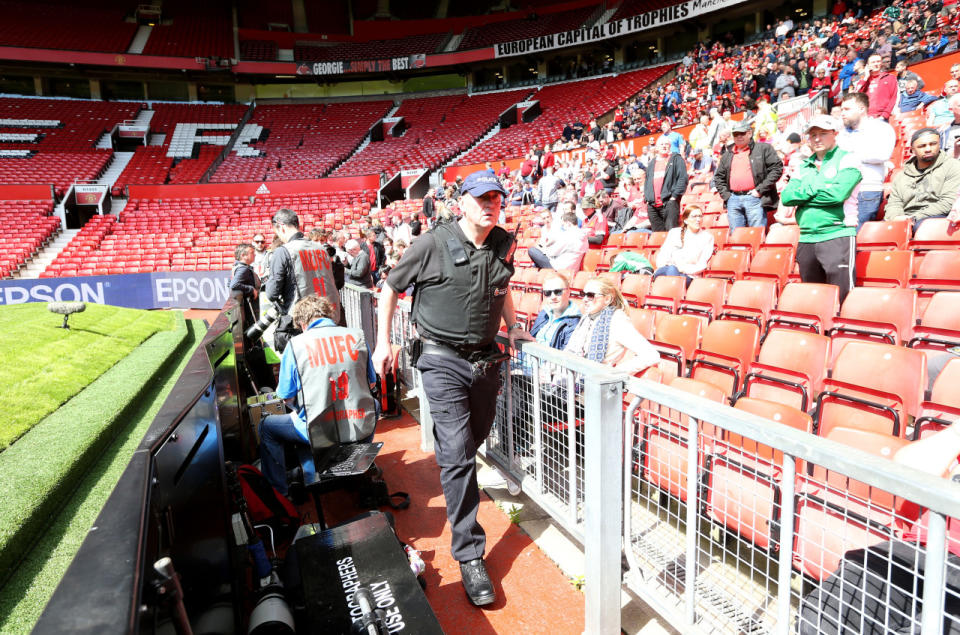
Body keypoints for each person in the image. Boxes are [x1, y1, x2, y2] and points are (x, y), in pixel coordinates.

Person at [371, 170, 533, 608]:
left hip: (485, 362)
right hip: (441, 358)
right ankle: (470, 554)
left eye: (496, 197)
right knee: (459, 455)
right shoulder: (431, 243)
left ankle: (454, 465)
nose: (490, 204)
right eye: (481, 197)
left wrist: (514, 327)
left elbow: (503, 286)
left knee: (471, 440)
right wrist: (382, 342)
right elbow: (389, 289)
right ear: (462, 202)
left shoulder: (503, 242)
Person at [257, 295, 377, 495]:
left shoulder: (295, 345)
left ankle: (280, 495)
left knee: (266, 427)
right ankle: (357, 453)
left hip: (318, 431)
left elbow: (286, 396)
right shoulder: (357, 335)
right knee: (374, 404)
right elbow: (371, 383)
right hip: (358, 424)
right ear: (328, 314)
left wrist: (302, 408)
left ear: (302, 323)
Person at [781, 115, 863, 304]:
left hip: (837, 234)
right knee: (812, 297)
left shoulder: (848, 159)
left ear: (835, 134)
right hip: (807, 237)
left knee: (842, 298)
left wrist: (804, 195)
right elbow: (787, 197)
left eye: (823, 134)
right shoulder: (804, 165)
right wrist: (820, 186)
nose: (817, 139)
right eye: (813, 135)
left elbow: (837, 195)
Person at [562, 276, 660, 375]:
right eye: (583, 294)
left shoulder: (617, 320)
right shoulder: (587, 318)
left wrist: (614, 373)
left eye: (590, 295)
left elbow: (651, 355)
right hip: (575, 379)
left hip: (598, 382)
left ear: (607, 299)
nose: (584, 299)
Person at [266, 208, 341, 322]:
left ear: (282, 227)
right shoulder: (321, 249)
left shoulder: (283, 251)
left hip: (301, 320)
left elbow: (272, 293)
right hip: (328, 314)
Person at [837, 92, 896, 229]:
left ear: (862, 109)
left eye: (847, 109)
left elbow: (882, 154)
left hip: (866, 190)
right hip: (841, 190)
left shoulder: (880, 128)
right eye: (841, 110)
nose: (842, 113)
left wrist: (849, 153)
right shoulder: (841, 132)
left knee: (855, 235)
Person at [885, 128, 960, 231]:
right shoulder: (901, 176)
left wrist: (914, 218)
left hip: (938, 219)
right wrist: (895, 218)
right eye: (922, 146)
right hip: (906, 218)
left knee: (921, 227)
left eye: (933, 144)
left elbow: (948, 202)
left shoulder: (953, 166)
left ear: (939, 145)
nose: (928, 149)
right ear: (912, 150)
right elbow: (894, 204)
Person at [713, 119, 784, 229]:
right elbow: (718, 177)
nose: (739, 136)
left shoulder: (763, 148)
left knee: (756, 235)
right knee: (737, 237)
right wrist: (727, 195)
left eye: (742, 133)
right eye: (736, 134)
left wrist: (759, 190)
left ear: (749, 133)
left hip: (754, 198)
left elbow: (777, 169)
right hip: (733, 199)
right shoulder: (727, 155)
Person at [652, 205, 715, 282]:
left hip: (689, 275)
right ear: (685, 220)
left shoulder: (707, 238)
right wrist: (668, 266)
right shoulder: (674, 232)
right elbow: (663, 255)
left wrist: (682, 269)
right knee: (672, 270)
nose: (698, 219)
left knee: (674, 275)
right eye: (694, 216)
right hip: (667, 270)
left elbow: (702, 264)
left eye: (700, 216)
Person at [644, 136, 688, 231]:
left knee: (672, 233)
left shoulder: (676, 159)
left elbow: (682, 178)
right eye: (661, 144)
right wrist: (647, 199)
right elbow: (647, 181)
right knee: (658, 236)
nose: (664, 146)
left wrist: (674, 197)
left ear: (670, 146)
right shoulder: (652, 163)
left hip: (669, 202)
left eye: (666, 144)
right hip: (652, 205)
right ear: (657, 147)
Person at [853, 54, 898, 120]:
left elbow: (894, 97)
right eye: (873, 62)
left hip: (883, 117)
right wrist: (866, 77)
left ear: (881, 63)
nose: (876, 64)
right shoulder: (864, 79)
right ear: (868, 65)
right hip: (866, 117)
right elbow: (856, 95)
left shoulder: (890, 78)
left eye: (878, 61)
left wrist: (885, 115)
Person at [230, 242, 260, 326]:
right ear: (243, 255)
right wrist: (251, 289)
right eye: (252, 253)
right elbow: (234, 284)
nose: (255, 255)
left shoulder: (238, 267)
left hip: (244, 306)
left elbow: (230, 283)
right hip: (248, 306)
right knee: (253, 328)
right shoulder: (242, 269)